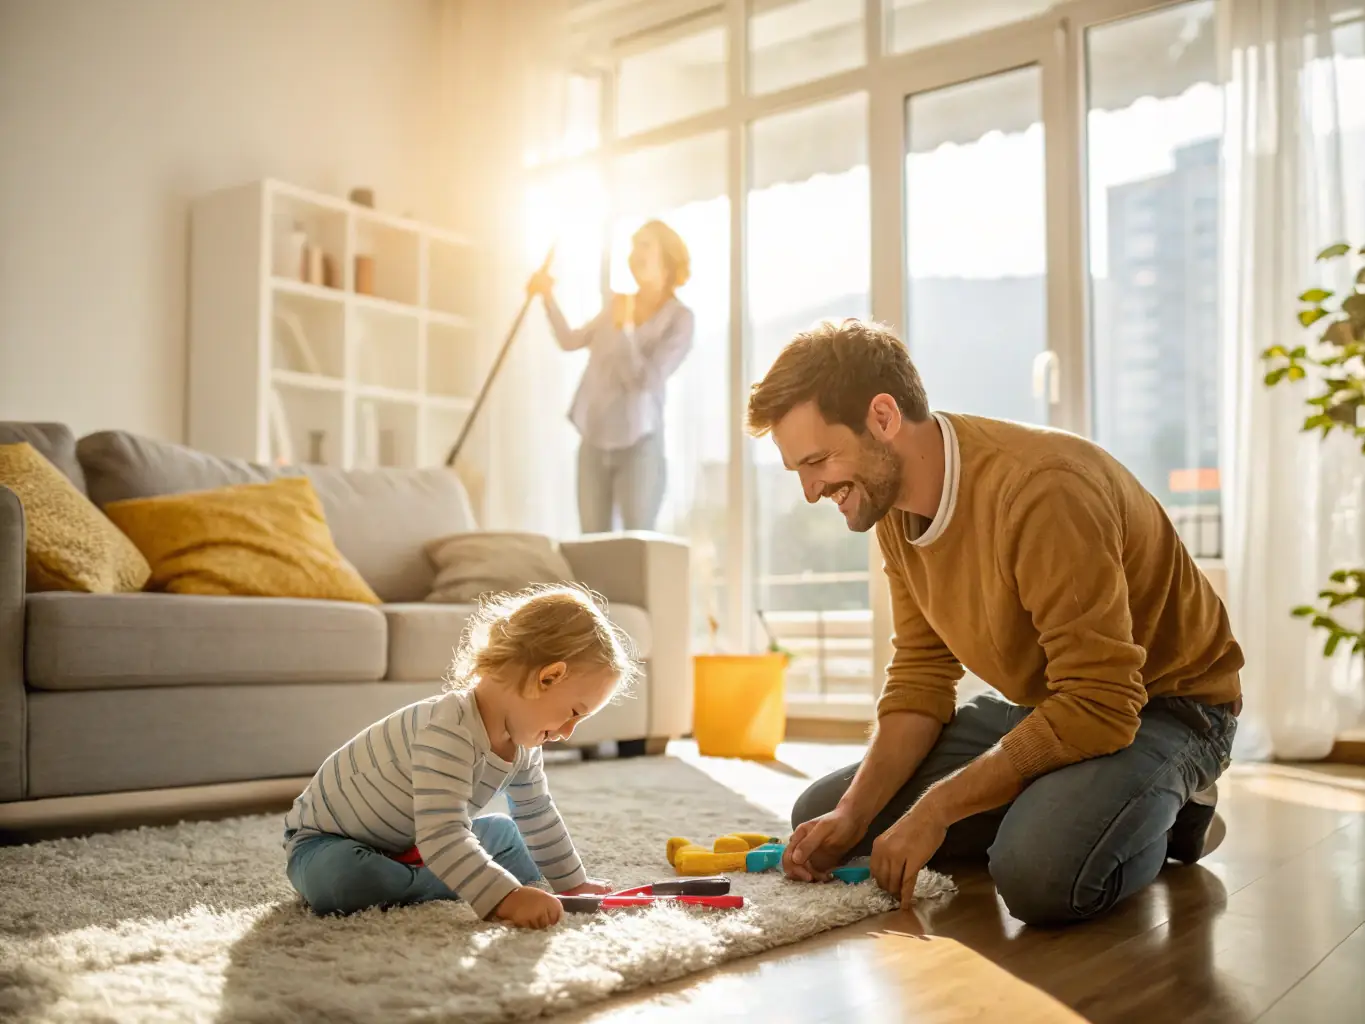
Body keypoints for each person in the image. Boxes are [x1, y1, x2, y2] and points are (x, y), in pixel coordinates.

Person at [745, 318, 1244, 927]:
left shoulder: (1044, 491)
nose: (811, 490)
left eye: (818, 461)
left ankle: (1174, 815)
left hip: (1166, 707)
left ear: (882, 417)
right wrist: (853, 813)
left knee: (1039, 874)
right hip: (1056, 706)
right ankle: (1066, 802)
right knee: (824, 818)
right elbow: (922, 678)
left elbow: (1102, 701)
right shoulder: (894, 508)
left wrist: (937, 810)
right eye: (798, 469)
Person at [282, 584, 638, 928]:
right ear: (547, 678)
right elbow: (442, 834)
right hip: (330, 843)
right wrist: (507, 898)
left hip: (415, 842)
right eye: (573, 712)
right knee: (345, 881)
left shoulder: (524, 745)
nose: (568, 732)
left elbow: (538, 814)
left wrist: (572, 886)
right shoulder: (448, 729)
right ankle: (452, 881)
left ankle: (441, 876)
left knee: (510, 838)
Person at [526, 219, 695, 534]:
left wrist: (626, 329)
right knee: (592, 547)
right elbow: (570, 340)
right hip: (594, 438)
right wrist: (547, 297)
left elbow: (645, 382)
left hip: (639, 446)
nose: (634, 254)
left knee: (636, 544)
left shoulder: (680, 320)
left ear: (666, 258)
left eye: (644, 246)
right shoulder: (618, 304)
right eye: (632, 247)